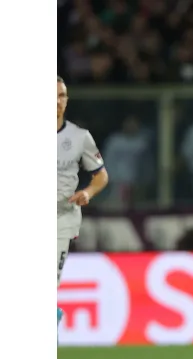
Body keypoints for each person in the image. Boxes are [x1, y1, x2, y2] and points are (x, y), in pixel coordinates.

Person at [57, 76, 109, 325]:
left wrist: (88, 192)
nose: (57, 102)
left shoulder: (79, 137)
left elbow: (101, 175)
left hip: (61, 220)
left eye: (62, 96)